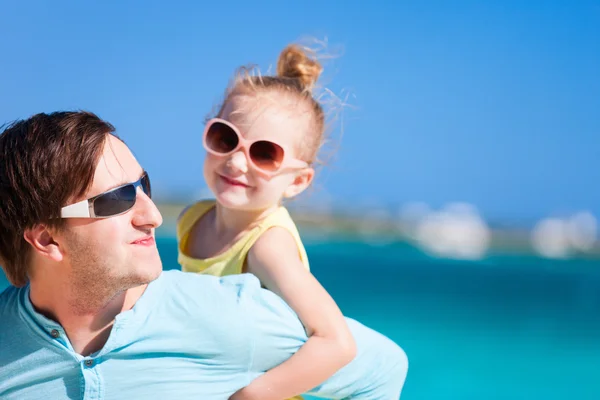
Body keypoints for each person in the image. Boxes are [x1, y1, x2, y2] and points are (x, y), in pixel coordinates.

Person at [0, 111, 408, 399]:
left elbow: (382, 369)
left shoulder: (229, 317)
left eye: (144, 185)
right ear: (46, 240)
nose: (153, 216)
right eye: (119, 199)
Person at [177, 43, 359, 400]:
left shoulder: (267, 245)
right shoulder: (192, 219)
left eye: (264, 153)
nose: (236, 162)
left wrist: (248, 396)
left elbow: (337, 342)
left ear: (296, 181)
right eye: (226, 138)